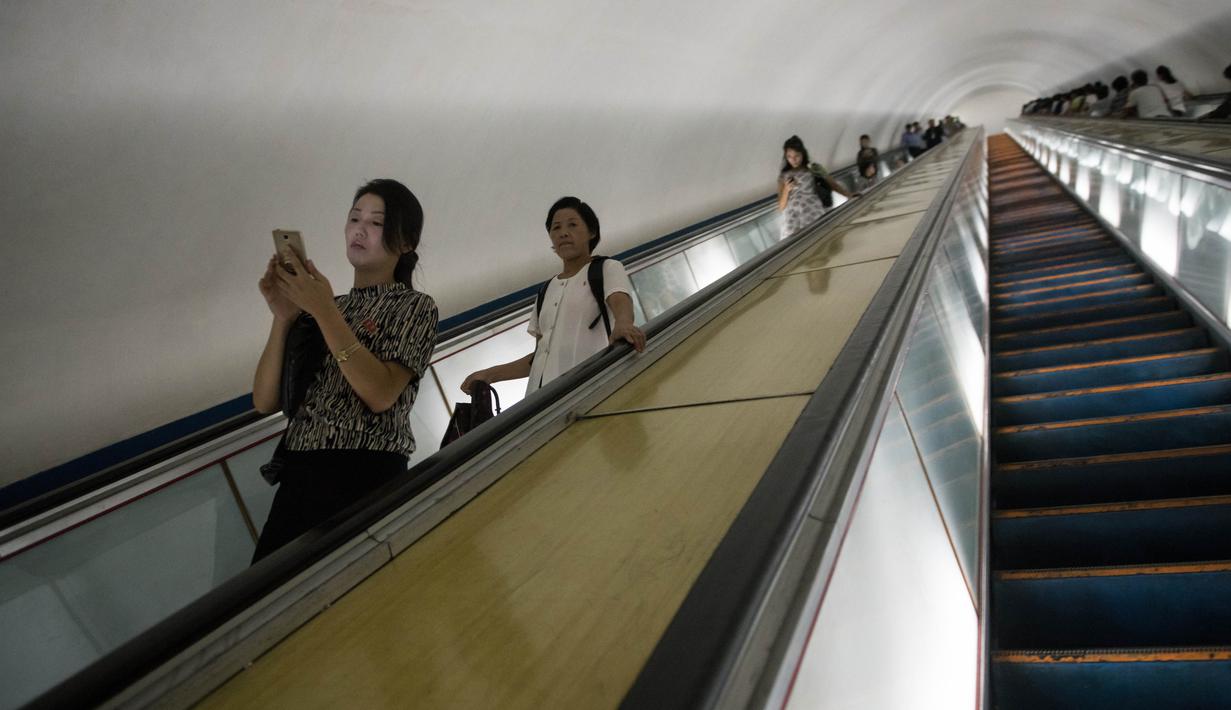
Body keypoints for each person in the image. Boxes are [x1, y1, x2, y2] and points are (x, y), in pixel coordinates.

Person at [251, 178, 439, 562]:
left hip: (365, 471)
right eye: (355, 218)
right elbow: (264, 400)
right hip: (299, 471)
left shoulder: (415, 306)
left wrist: (323, 311)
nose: (360, 229)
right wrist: (283, 318)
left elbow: (381, 394)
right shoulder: (326, 306)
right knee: (271, 591)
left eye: (376, 222)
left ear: (406, 243)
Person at [461, 197, 646, 398]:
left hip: (590, 394)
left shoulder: (606, 268)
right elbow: (539, 357)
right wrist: (490, 375)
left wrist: (624, 323)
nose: (563, 233)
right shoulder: (546, 290)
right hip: (540, 404)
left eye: (572, 225)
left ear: (591, 232)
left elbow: (619, 299)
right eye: (556, 228)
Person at [776, 135, 854, 239]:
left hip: (812, 211)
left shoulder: (814, 168)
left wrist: (849, 195)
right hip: (792, 218)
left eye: (796, 156)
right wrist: (786, 190)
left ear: (803, 153)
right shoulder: (783, 176)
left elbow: (833, 184)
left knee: (819, 239)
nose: (793, 160)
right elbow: (781, 207)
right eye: (789, 156)